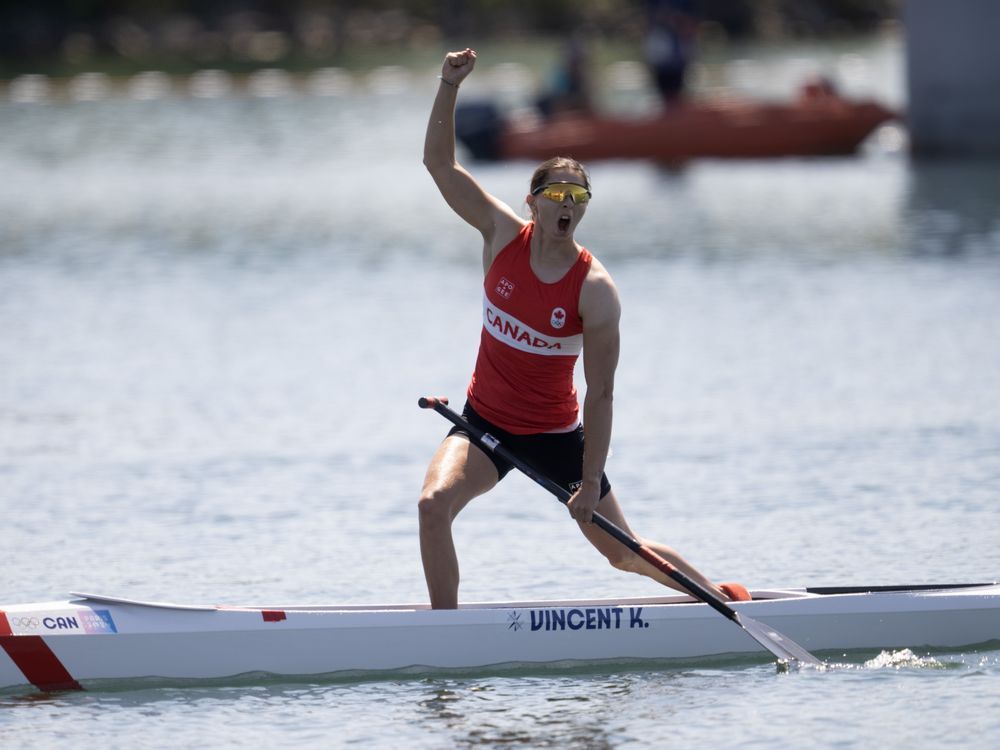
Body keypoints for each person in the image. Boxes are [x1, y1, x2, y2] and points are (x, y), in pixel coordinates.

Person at [420, 48, 749, 610]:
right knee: (433, 505)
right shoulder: (501, 234)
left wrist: (590, 480)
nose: (566, 205)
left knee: (621, 554)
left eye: (578, 197)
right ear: (534, 202)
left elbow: (601, 394)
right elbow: (439, 166)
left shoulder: (595, 290)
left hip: (556, 438)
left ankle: (724, 601)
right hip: (484, 423)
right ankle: (446, 636)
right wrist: (449, 85)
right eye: (555, 195)